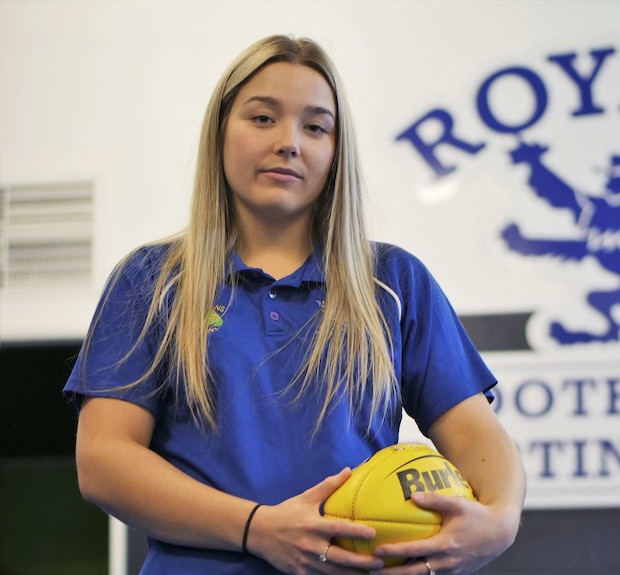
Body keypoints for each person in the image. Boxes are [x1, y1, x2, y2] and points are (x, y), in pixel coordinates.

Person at [64, 34, 526, 575]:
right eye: (262, 119)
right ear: (219, 133)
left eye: (315, 126)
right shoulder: (152, 281)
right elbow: (103, 462)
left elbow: (476, 435)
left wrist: (499, 522)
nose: (289, 142)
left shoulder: (394, 282)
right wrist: (258, 529)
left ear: (335, 151)